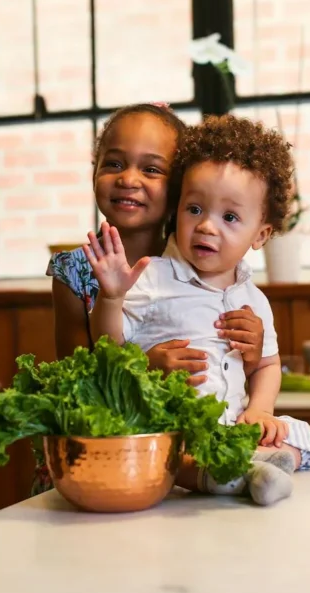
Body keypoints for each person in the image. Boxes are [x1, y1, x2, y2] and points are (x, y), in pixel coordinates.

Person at [83, 114, 310, 506]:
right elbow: (108, 346)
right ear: (177, 208)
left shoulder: (254, 300)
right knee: (172, 453)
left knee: (294, 432)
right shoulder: (154, 277)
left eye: (229, 217)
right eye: (195, 209)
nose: (207, 227)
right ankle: (223, 475)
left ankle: (259, 465)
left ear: (260, 235)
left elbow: (267, 365)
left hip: (234, 426)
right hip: (178, 427)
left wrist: (261, 410)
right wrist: (110, 298)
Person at [40, 103, 267, 494]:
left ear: (180, 186)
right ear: (93, 170)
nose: (128, 179)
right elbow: (74, 380)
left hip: (187, 458)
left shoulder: (204, 255)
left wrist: (255, 345)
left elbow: (226, 366)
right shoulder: (75, 271)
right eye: (113, 164)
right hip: (104, 456)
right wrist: (144, 367)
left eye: (151, 169)